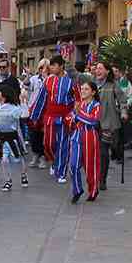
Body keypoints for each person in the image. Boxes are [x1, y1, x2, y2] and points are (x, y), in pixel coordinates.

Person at [30, 55, 78, 184]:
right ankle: (54, 161)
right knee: (48, 144)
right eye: (50, 65)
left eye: (53, 65)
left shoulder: (71, 81)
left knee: (63, 144)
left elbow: (78, 100)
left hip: (65, 117)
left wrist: (73, 115)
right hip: (50, 117)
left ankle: (61, 172)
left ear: (61, 66)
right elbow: (41, 99)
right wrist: (34, 116)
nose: (51, 68)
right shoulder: (48, 81)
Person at [94, 61, 127, 190]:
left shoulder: (113, 85)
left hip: (108, 124)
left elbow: (123, 100)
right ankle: (94, 175)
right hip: (92, 122)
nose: (98, 71)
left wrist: (124, 112)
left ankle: (102, 179)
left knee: (103, 152)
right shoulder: (91, 84)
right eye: (97, 68)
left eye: (101, 68)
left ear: (107, 71)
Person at [67, 81, 101, 203]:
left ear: (93, 92)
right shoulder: (79, 104)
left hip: (90, 136)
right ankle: (77, 190)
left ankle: (93, 189)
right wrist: (73, 118)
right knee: (73, 165)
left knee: (90, 166)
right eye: (82, 89)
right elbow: (70, 119)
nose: (83, 91)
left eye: (86, 89)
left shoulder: (96, 105)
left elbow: (93, 121)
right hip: (76, 136)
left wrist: (77, 115)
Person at [24, 58, 49, 169]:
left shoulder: (50, 80)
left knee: (43, 135)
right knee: (33, 135)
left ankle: (43, 157)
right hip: (33, 110)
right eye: (40, 67)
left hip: (45, 111)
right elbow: (26, 84)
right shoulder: (34, 79)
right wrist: (28, 74)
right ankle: (35, 155)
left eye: (44, 67)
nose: (42, 70)